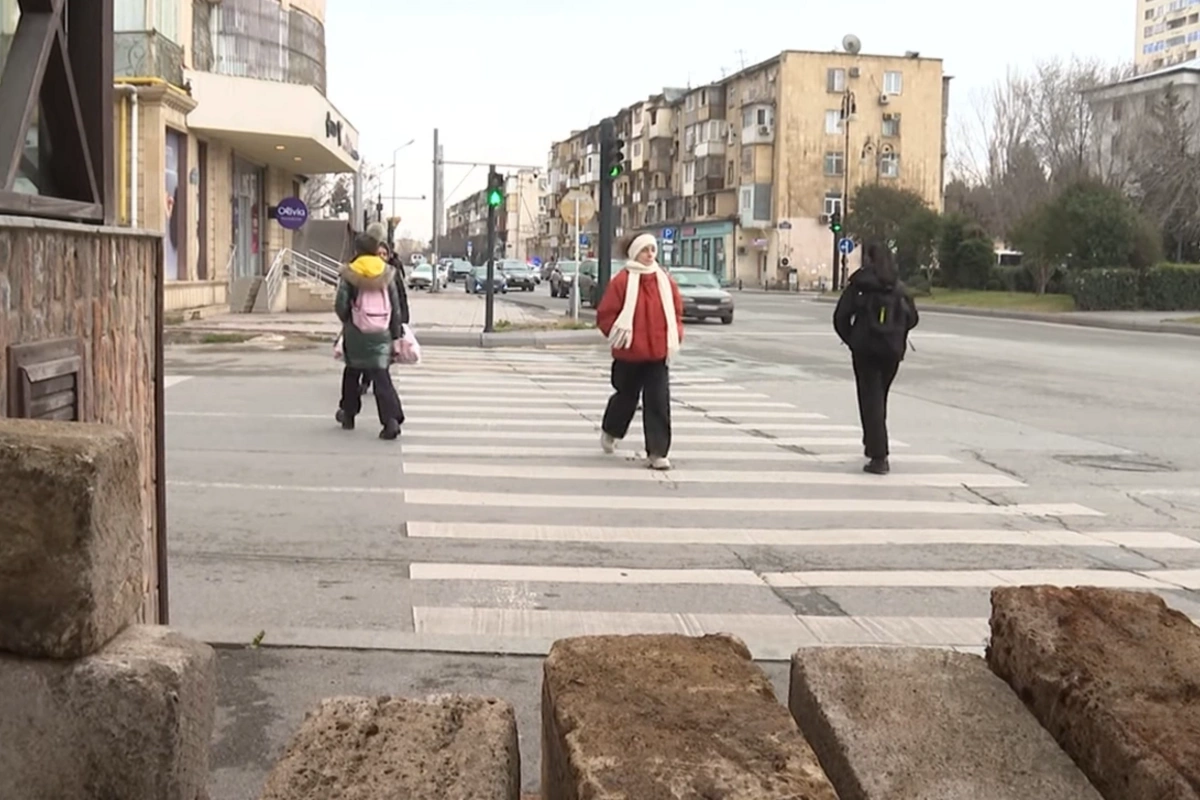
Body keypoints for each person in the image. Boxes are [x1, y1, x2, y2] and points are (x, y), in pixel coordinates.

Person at [595, 233, 683, 470]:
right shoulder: (622, 281)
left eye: (652, 250)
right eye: (645, 250)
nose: (650, 255)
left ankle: (657, 452)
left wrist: (676, 336)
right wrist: (616, 334)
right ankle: (611, 431)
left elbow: (676, 312)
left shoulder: (664, 280)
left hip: (657, 355)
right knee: (625, 398)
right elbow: (606, 314)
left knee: (658, 401)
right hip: (629, 354)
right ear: (635, 253)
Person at [832, 241, 919, 474]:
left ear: (868, 259)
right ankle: (873, 446)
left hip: (865, 351)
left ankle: (879, 456)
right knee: (879, 399)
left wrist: (853, 339)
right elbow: (913, 318)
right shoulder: (898, 287)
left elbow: (840, 317)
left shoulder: (859, 285)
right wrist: (897, 333)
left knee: (870, 401)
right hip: (891, 352)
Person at [334, 229, 407, 440]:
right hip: (381, 332)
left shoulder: (350, 272)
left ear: (357, 250)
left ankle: (348, 414)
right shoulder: (387, 272)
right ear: (376, 250)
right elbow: (395, 307)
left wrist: (348, 321)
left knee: (352, 371)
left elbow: (340, 304)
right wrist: (395, 334)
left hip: (356, 332)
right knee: (381, 376)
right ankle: (391, 420)